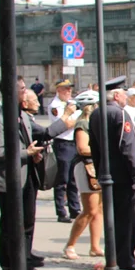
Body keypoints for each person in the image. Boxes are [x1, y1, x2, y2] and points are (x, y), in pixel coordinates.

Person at [0, 84, 76, 270]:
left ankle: (26, 264)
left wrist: (64, 121)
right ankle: (9, 269)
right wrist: (26, 153)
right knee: (11, 227)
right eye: (20, 88)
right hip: (11, 181)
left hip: (29, 177)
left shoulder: (24, 116)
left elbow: (44, 134)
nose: (25, 90)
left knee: (27, 224)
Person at [89, 88, 135, 270]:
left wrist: (99, 170)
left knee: (113, 219)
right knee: (128, 219)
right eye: (124, 93)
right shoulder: (120, 113)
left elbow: (94, 147)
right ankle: (126, 259)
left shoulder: (96, 113)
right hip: (124, 176)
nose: (126, 97)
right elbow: (127, 147)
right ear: (117, 95)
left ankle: (114, 257)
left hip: (107, 174)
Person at [62, 91, 104, 260]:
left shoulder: (94, 123)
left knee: (99, 210)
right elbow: (82, 148)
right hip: (86, 167)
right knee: (89, 209)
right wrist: (103, 150)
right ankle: (70, 245)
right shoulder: (82, 124)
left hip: (96, 167)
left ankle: (95, 246)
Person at [47, 79, 80, 224]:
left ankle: (75, 209)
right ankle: (61, 211)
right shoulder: (55, 106)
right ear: (58, 90)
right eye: (65, 89)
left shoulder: (71, 103)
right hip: (63, 143)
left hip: (73, 142)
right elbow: (65, 124)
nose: (69, 92)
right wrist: (75, 119)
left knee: (73, 179)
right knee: (62, 179)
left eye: (70, 89)